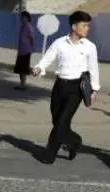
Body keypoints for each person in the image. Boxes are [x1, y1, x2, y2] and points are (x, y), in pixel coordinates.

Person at [31, 11, 100, 163]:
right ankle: (74, 140)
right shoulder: (60, 43)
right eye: (84, 25)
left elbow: (93, 69)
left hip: (76, 89)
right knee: (58, 121)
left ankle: (49, 155)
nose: (87, 28)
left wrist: (94, 90)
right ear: (74, 27)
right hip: (59, 86)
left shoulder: (90, 47)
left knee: (61, 122)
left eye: (88, 26)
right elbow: (47, 58)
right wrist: (38, 68)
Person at [14, 11, 34, 90]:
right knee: (20, 69)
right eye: (21, 17)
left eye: (23, 17)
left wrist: (31, 48)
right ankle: (21, 84)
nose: (22, 19)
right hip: (21, 50)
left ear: (27, 18)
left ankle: (23, 85)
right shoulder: (22, 26)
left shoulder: (28, 26)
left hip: (26, 50)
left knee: (24, 68)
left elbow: (32, 38)